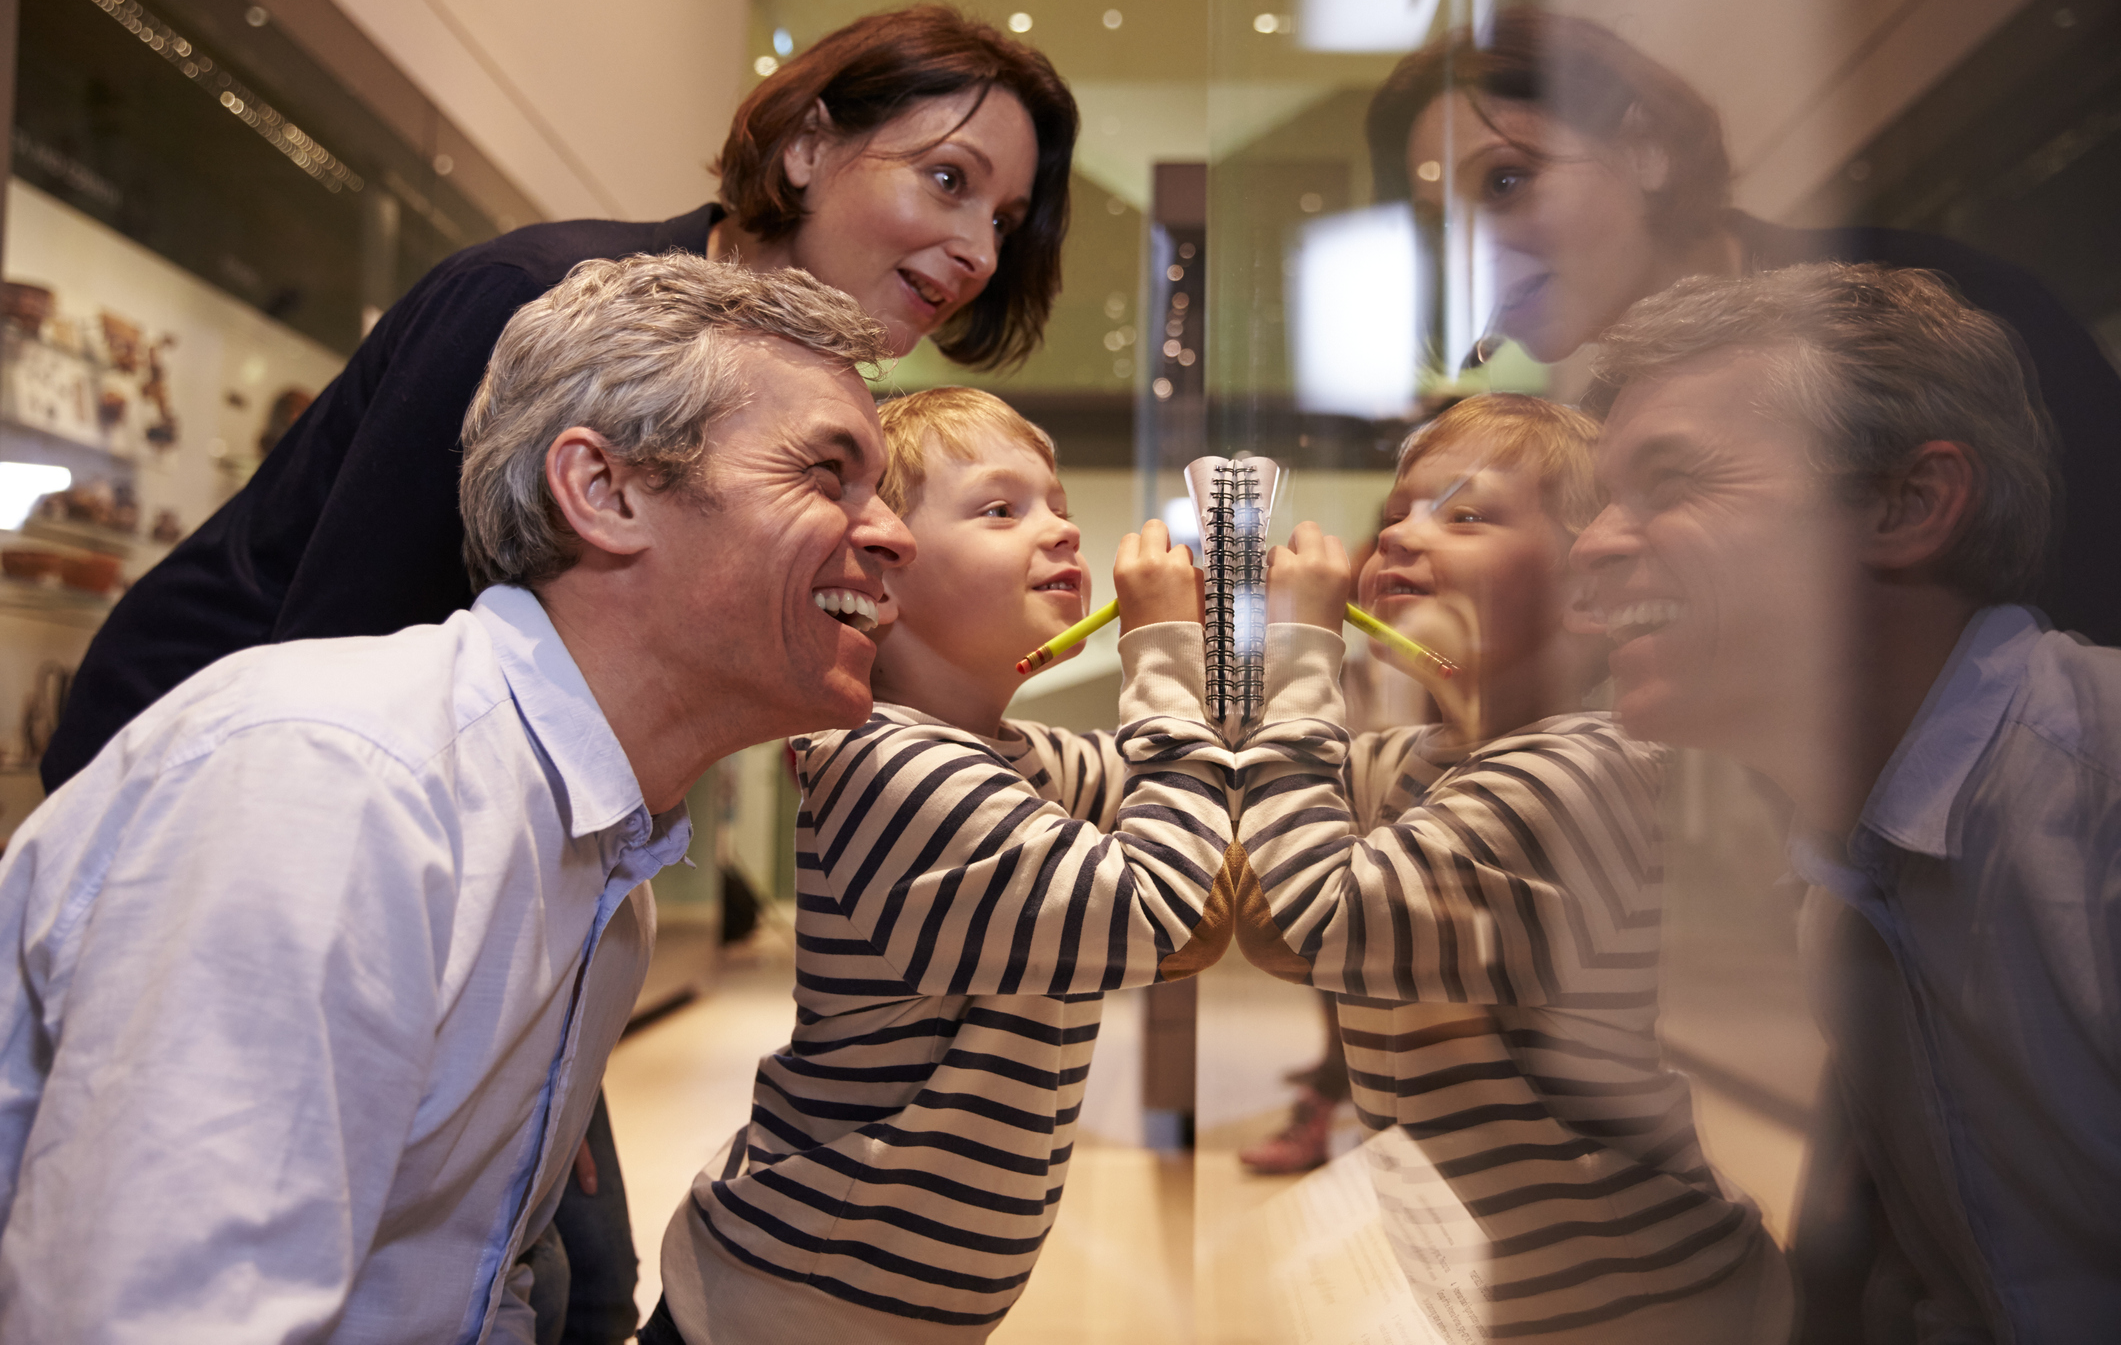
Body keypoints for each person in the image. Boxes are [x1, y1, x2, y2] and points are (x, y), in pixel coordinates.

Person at [32, 3, 1075, 1344]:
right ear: (811, 143)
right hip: (257, 827)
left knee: (552, 1269)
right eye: (947, 178)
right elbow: (335, 670)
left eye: (1008, 216)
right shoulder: (525, 310)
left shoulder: (594, 848)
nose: (978, 250)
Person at [0, 255, 916, 1342]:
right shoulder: (339, 788)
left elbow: (474, 1284)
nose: (895, 534)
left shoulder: (603, 866)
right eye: (826, 473)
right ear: (606, 491)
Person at [1571, 261, 2121, 1342]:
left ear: (1907, 504)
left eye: (1673, 483)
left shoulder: (2096, 796)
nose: (1589, 547)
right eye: (1598, 503)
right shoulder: (1847, 870)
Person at [644, 387, 1258, 1343]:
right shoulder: (885, 763)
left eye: (1055, 503)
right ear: (882, 570)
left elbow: (1201, 788)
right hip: (797, 1300)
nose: (1060, 531)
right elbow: (1155, 913)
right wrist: (1162, 656)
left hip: (889, 1305)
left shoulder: (1014, 755)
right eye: (1001, 509)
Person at [1229, 395, 1789, 1341]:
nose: (1401, 535)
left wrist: (1297, 654)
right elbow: (1244, 802)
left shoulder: (1573, 770)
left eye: (1463, 515)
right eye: (1400, 511)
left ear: (1585, 593)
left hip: (1638, 1301)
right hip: (1519, 1293)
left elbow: (1316, 924)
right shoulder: (1415, 760)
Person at [1365, 6, 2121, 646]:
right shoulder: (1603, 426)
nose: (1464, 260)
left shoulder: (1923, 309)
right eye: (1440, 229)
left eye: (1505, 181)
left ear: (1644, 151)